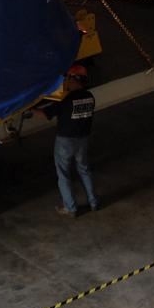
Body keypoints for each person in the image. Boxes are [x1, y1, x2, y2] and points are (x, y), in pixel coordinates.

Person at [39, 64, 99, 217]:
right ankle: (93, 202)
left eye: (68, 78)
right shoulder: (89, 97)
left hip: (65, 141)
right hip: (83, 140)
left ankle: (71, 208)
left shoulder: (66, 99)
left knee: (64, 174)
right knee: (84, 170)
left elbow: (47, 114)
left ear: (73, 79)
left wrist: (30, 108)